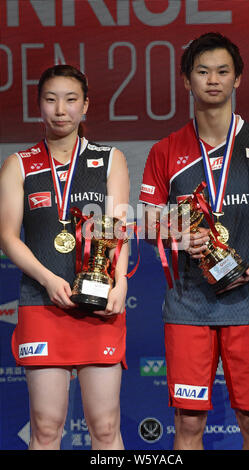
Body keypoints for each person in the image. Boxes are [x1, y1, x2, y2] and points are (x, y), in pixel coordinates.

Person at [139, 32, 249, 450]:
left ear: (238, 79)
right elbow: (145, 221)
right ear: (186, 81)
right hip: (188, 304)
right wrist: (178, 236)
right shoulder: (165, 151)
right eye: (202, 71)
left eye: (222, 71)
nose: (212, 80)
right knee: (188, 426)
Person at [0, 65, 129, 450]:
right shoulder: (18, 164)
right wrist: (46, 279)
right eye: (51, 99)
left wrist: (120, 282)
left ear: (85, 106)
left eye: (71, 100)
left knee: (105, 428)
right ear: (38, 105)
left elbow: (118, 228)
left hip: (99, 305)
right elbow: (7, 236)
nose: (61, 109)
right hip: (43, 305)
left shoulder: (111, 159)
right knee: (46, 427)